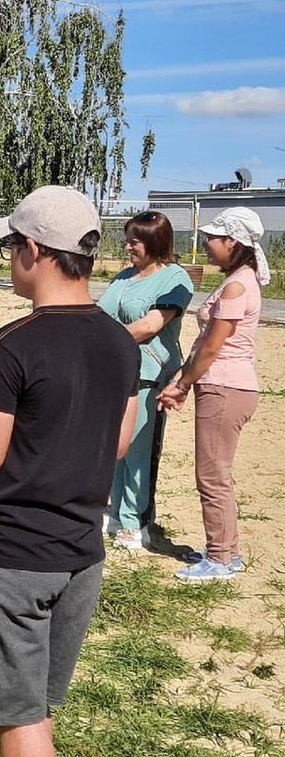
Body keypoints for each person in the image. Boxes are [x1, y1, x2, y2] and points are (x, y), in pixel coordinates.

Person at [0, 186, 139, 757]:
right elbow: (118, 442)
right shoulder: (120, 343)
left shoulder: (10, 345)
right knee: (38, 706)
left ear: (34, 250)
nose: (8, 260)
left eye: (10, 248)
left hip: (12, 557)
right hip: (80, 556)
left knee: (20, 714)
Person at [158, 207, 270, 581]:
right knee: (215, 473)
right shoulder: (239, 280)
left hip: (224, 386)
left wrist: (183, 384)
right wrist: (183, 377)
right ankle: (226, 551)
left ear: (232, 242)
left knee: (212, 475)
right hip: (223, 384)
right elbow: (205, 344)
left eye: (213, 237)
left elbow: (212, 347)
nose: (206, 244)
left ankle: (221, 558)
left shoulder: (238, 285)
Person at [96, 212, 194, 550]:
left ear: (154, 242)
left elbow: (151, 325)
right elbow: (100, 314)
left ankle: (136, 521)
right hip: (116, 373)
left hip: (149, 376)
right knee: (116, 447)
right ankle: (116, 510)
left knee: (139, 450)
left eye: (133, 241)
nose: (127, 247)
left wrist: (106, 340)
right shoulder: (124, 277)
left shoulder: (175, 279)